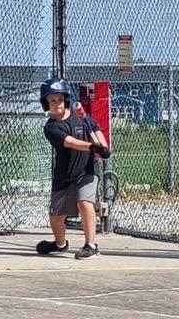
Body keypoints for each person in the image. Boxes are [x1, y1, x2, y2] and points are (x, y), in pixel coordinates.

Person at [37, 78, 110, 259]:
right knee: (56, 216)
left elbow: (95, 127)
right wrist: (92, 146)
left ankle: (91, 245)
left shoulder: (79, 116)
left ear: (65, 100)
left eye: (59, 99)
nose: (56, 104)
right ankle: (60, 244)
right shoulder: (51, 127)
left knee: (85, 202)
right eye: (52, 100)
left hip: (87, 170)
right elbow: (69, 142)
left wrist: (102, 145)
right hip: (65, 174)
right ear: (46, 103)